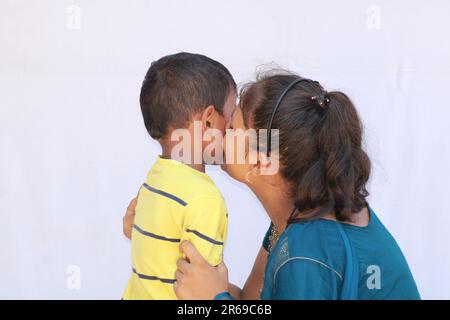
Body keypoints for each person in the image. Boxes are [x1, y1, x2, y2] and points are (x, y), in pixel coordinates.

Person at [124, 71, 421, 300]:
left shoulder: (308, 251)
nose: (216, 135)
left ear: (263, 161)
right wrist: (160, 236)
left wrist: (215, 298)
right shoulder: (295, 218)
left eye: (230, 129)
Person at [122, 52, 236, 299]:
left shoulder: (154, 180)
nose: (234, 132)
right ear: (207, 123)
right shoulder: (205, 200)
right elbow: (204, 290)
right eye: (230, 119)